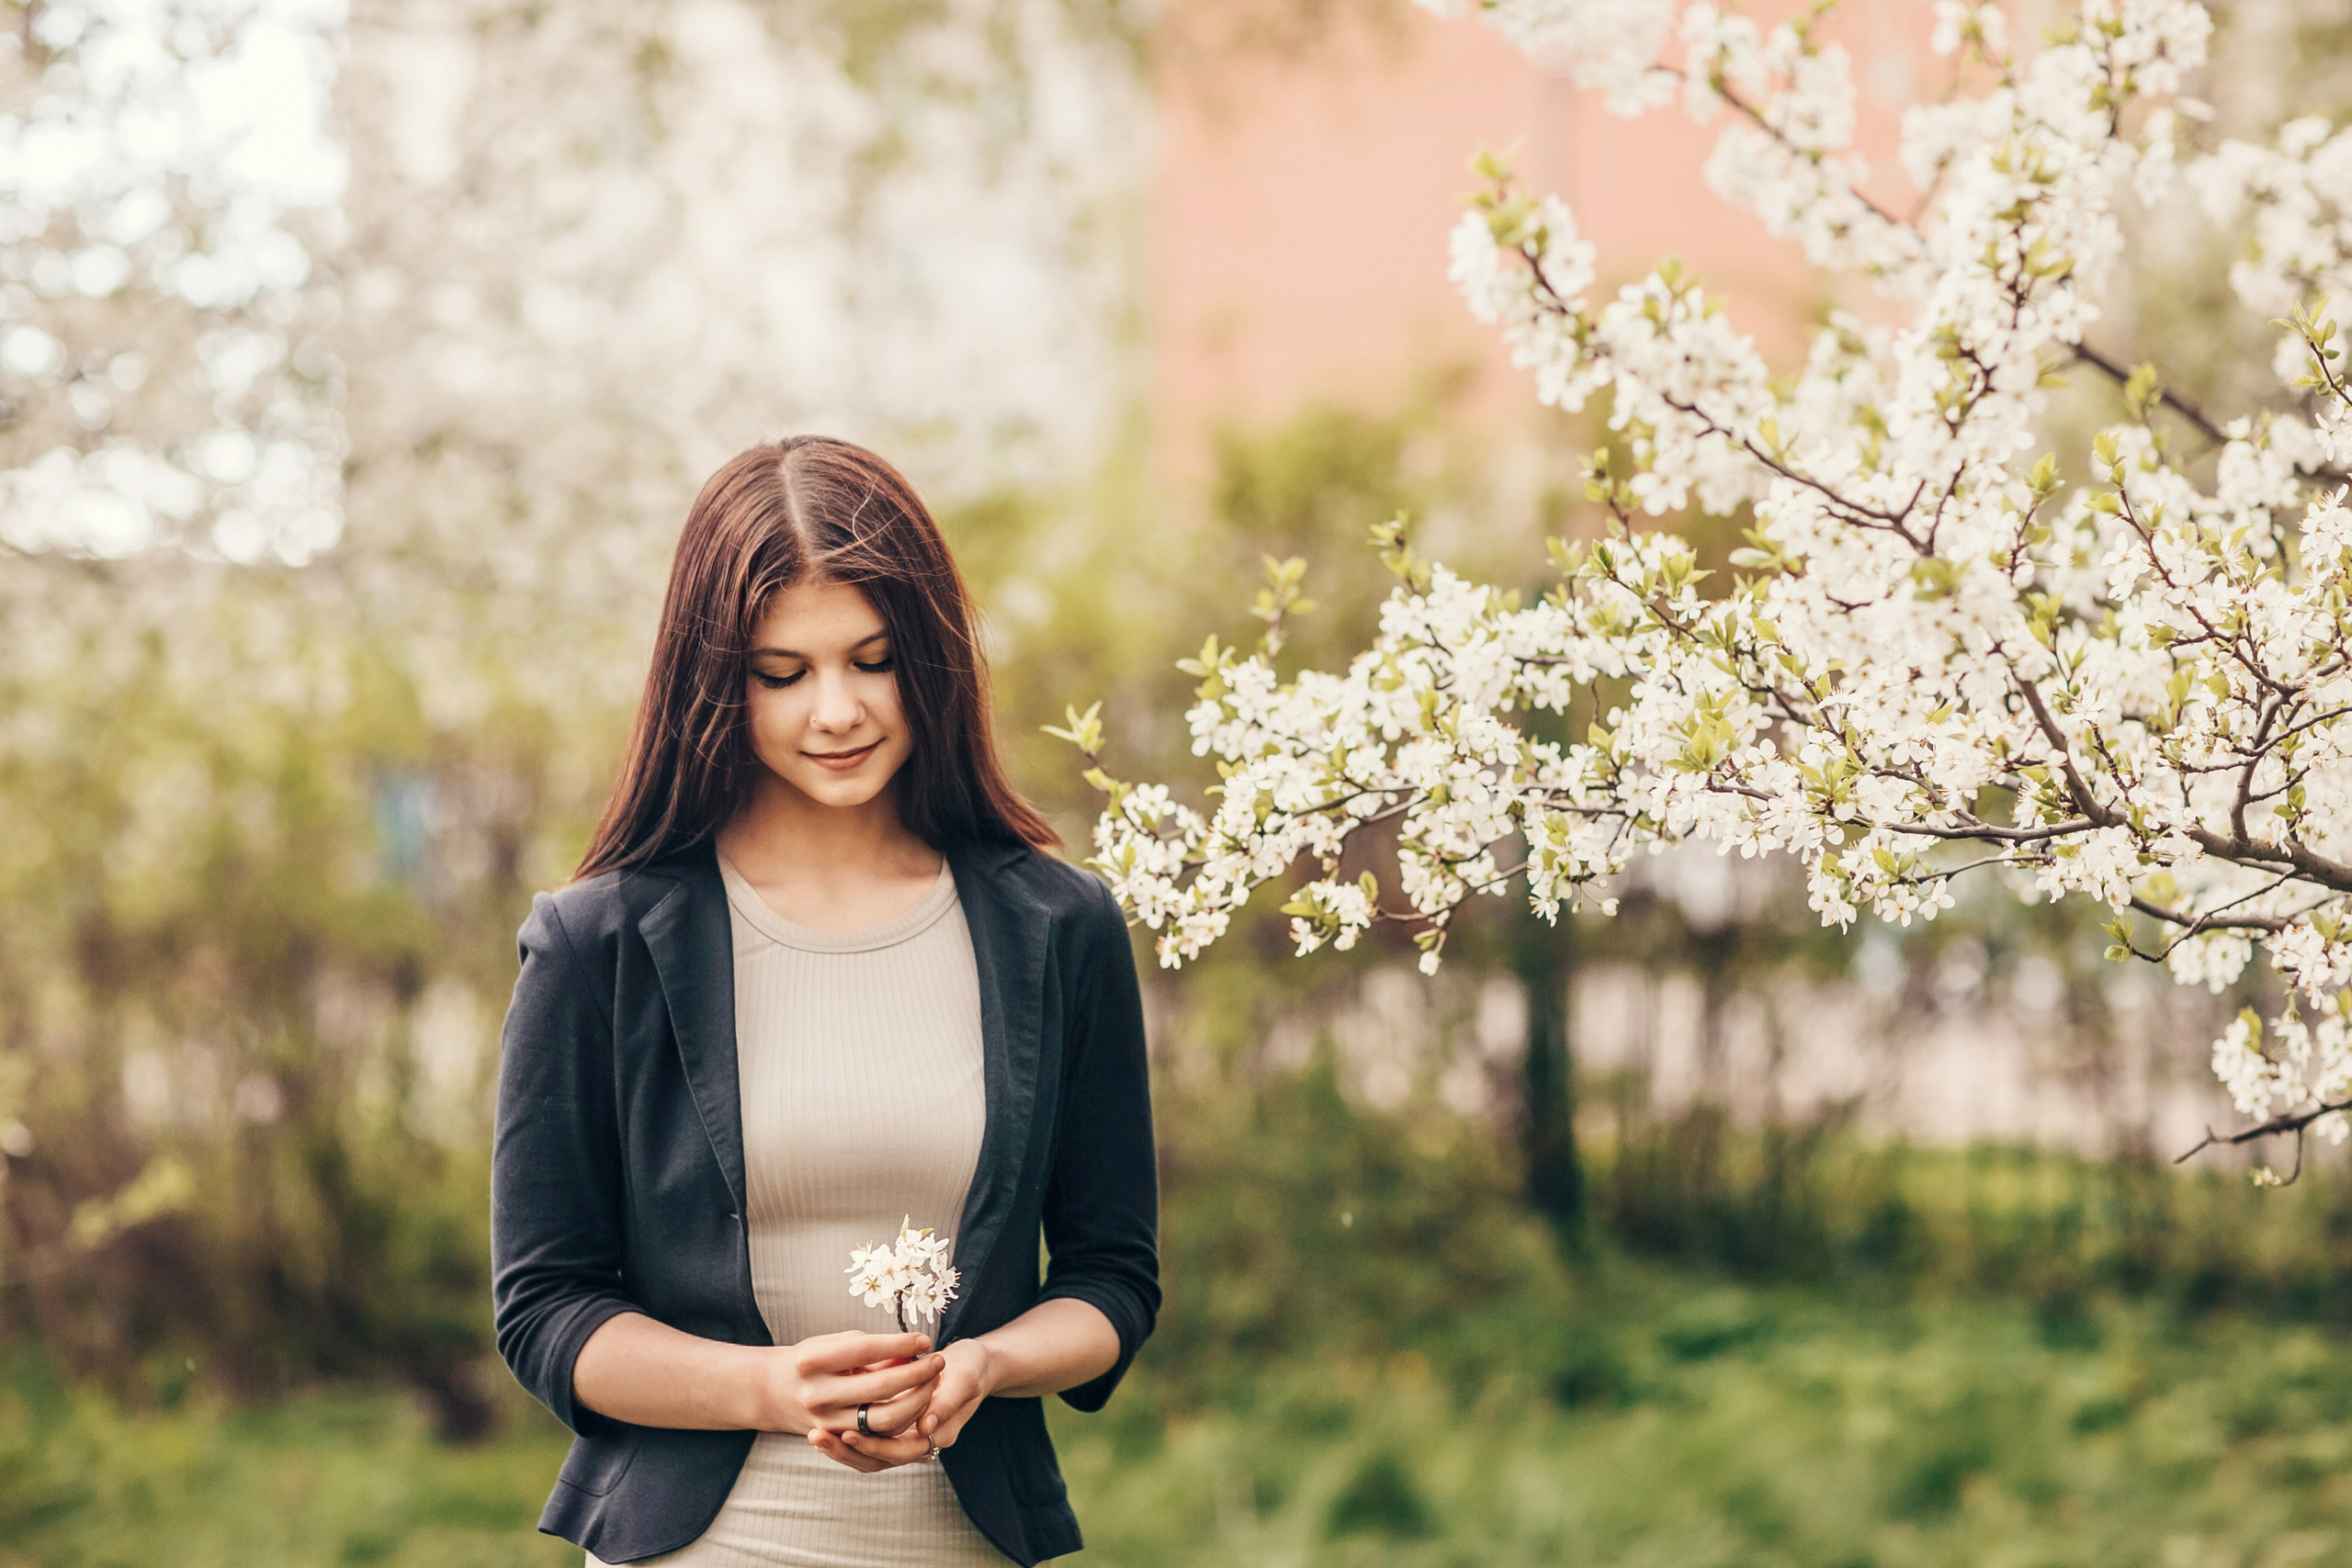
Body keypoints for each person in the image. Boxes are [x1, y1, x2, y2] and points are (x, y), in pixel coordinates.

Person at [490, 436, 1159, 1567]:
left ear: (933, 658)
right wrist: (766, 1387)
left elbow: (1111, 1277)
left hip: (964, 1540)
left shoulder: (1056, 926)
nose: (837, 710)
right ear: (712, 680)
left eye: (874, 659)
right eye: (781, 673)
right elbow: (546, 1309)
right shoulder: (597, 942)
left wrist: (987, 1365)